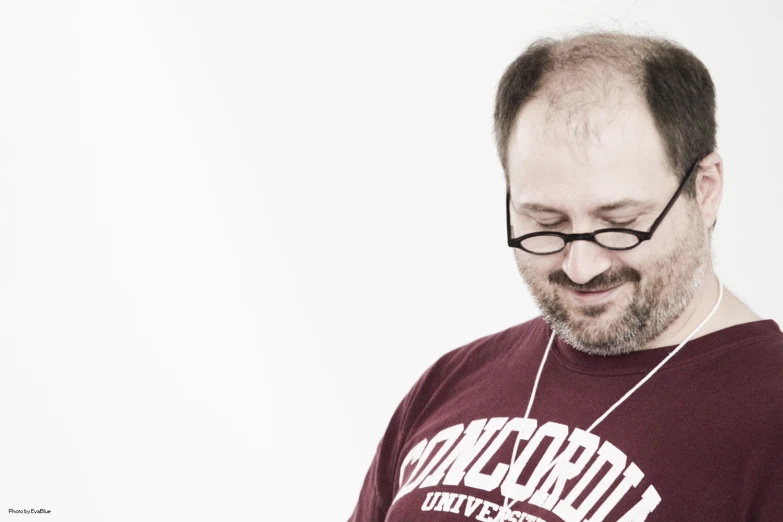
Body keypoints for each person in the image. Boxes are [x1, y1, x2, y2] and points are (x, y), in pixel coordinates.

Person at [348, 31, 783, 522]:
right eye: (546, 223)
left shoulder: (770, 420)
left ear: (704, 190)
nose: (582, 267)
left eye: (619, 224)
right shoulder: (449, 383)